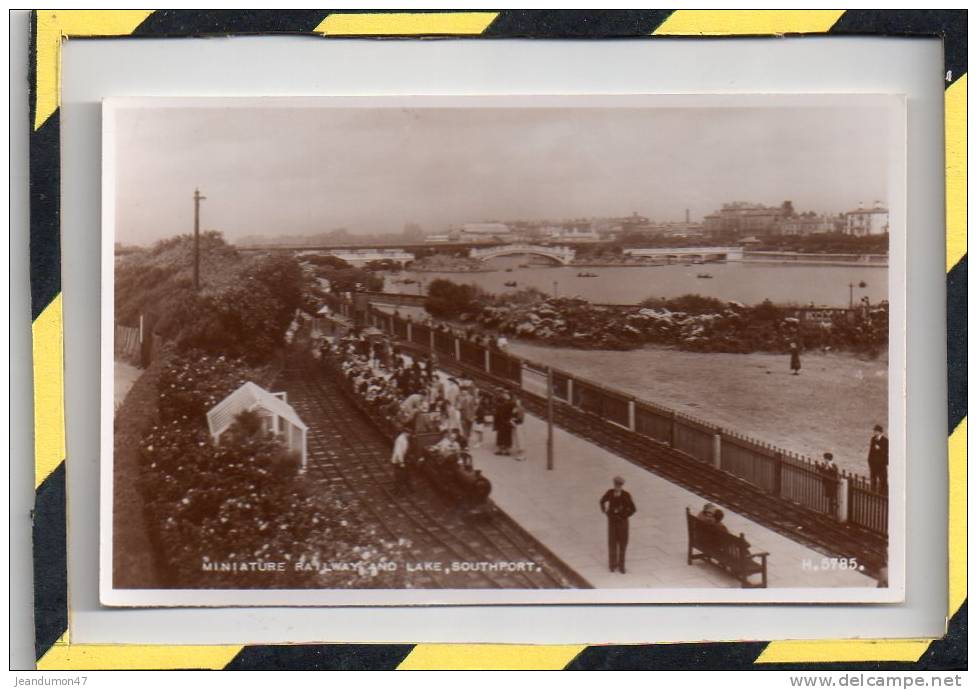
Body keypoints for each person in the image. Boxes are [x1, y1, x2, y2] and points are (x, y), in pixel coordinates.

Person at [599, 476, 637, 574]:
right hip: (612, 522)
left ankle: (621, 566)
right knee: (612, 543)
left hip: (622, 523)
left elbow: (633, 509)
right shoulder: (610, 492)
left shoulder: (626, 495)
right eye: (616, 485)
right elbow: (602, 501)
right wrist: (605, 511)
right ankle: (612, 565)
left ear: (621, 486)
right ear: (614, 485)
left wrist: (624, 516)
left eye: (619, 486)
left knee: (622, 544)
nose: (617, 487)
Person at [867, 424, 889, 493]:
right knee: (873, 479)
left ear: (880, 432)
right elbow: (871, 450)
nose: (874, 432)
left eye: (876, 431)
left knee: (883, 480)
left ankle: (882, 494)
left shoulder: (885, 441)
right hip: (873, 464)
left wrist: (879, 449)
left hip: (881, 464)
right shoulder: (873, 439)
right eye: (874, 431)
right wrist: (869, 460)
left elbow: (886, 452)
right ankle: (873, 493)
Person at [391, 427, 412, 493]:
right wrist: (401, 462)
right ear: (405, 433)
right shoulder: (400, 439)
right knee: (399, 476)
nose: (409, 435)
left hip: (404, 459)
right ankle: (397, 491)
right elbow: (398, 452)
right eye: (408, 433)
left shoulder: (404, 438)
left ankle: (408, 489)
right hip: (399, 460)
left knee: (406, 474)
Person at [820, 452, 840, 518]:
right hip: (828, 484)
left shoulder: (833, 465)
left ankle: (833, 512)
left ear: (828, 459)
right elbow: (822, 471)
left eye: (825, 459)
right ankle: (830, 511)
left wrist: (830, 467)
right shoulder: (825, 465)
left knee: (833, 497)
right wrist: (819, 467)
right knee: (830, 498)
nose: (824, 460)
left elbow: (835, 472)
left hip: (832, 484)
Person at [493, 391, 514, 455]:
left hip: (507, 422)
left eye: (506, 394)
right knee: (501, 436)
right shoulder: (502, 402)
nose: (505, 395)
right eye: (505, 394)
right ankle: (501, 449)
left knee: (506, 436)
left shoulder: (511, 403)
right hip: (501, 422)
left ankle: (506, 450)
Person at [510, 397, 526, 461]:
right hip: (516, 425)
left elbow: (520, 418)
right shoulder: (516, 408)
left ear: (520, 403)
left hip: (519, 425)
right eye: (516, 401)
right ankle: (519, 454)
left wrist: (513, 419)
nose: (516, 402)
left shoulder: (521, 409)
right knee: (517, 440)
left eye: (518, 402)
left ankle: (522, 455)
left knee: (520, 440)